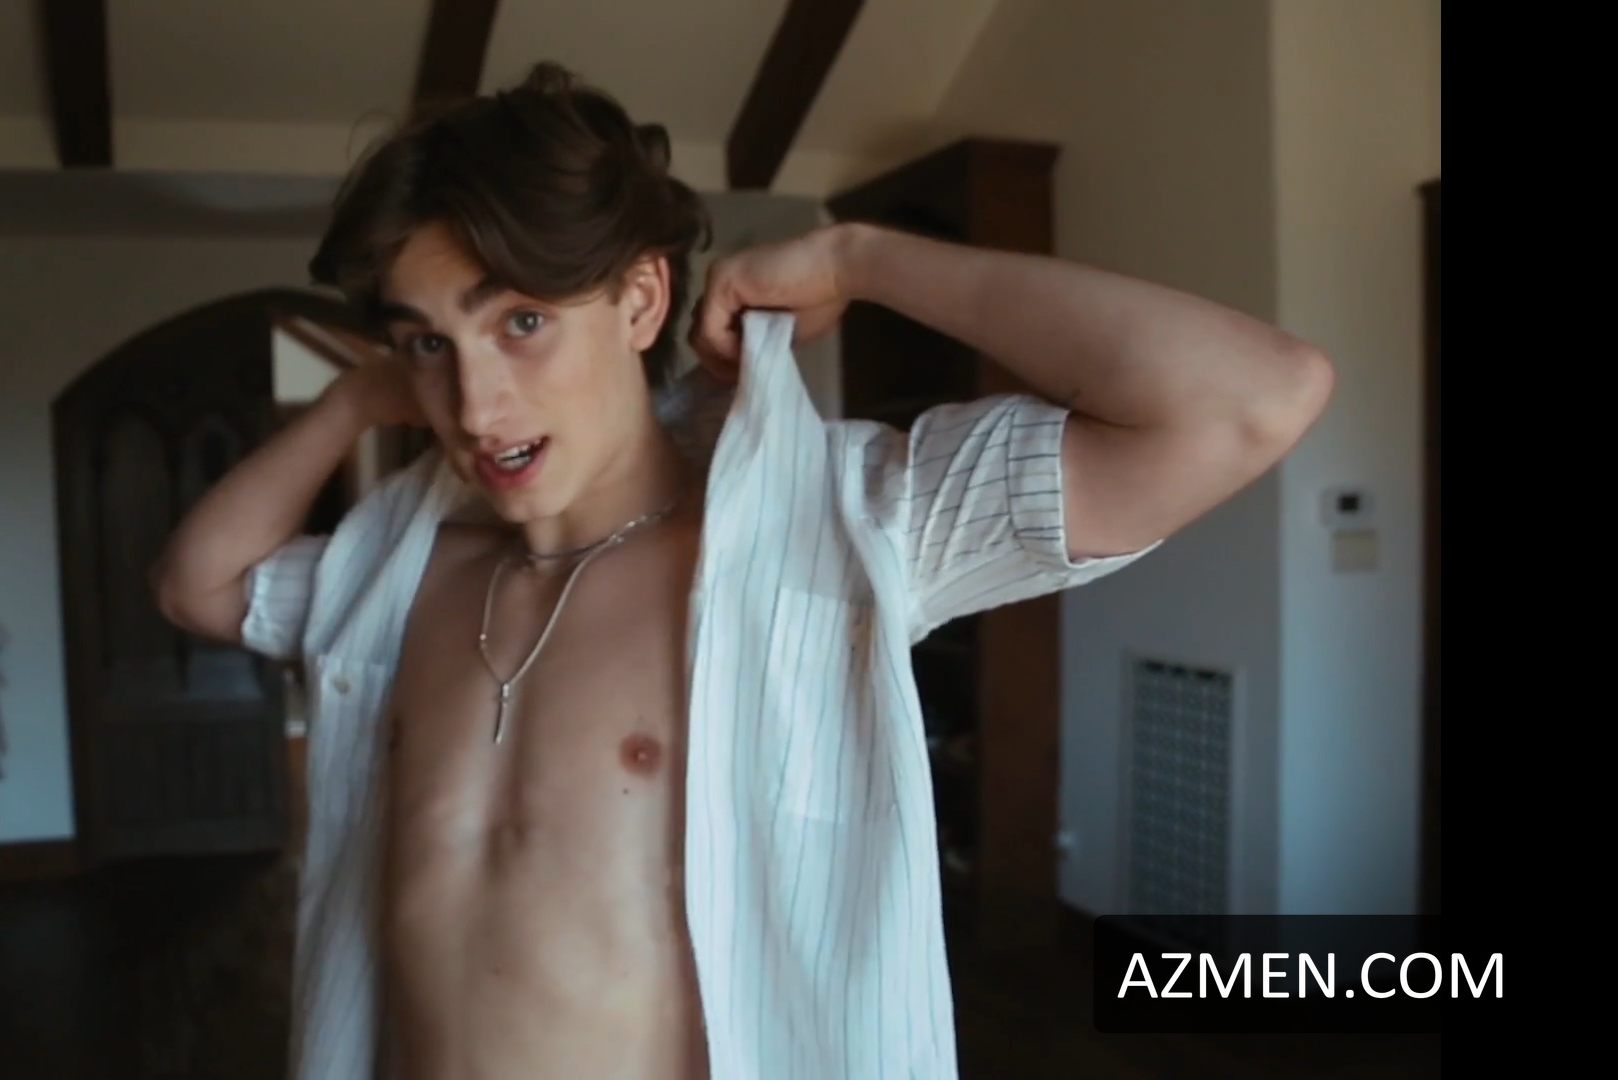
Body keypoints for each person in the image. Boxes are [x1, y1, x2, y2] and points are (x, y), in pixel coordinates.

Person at [152, 63, 1331, 1080]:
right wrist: (358, 397)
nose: (474, 401)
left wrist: (862, 257)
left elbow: (1251, 400)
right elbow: (195, 586)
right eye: (430, 342)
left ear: (640, 299)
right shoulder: (401, 571)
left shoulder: (832, 531)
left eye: (520, 323)